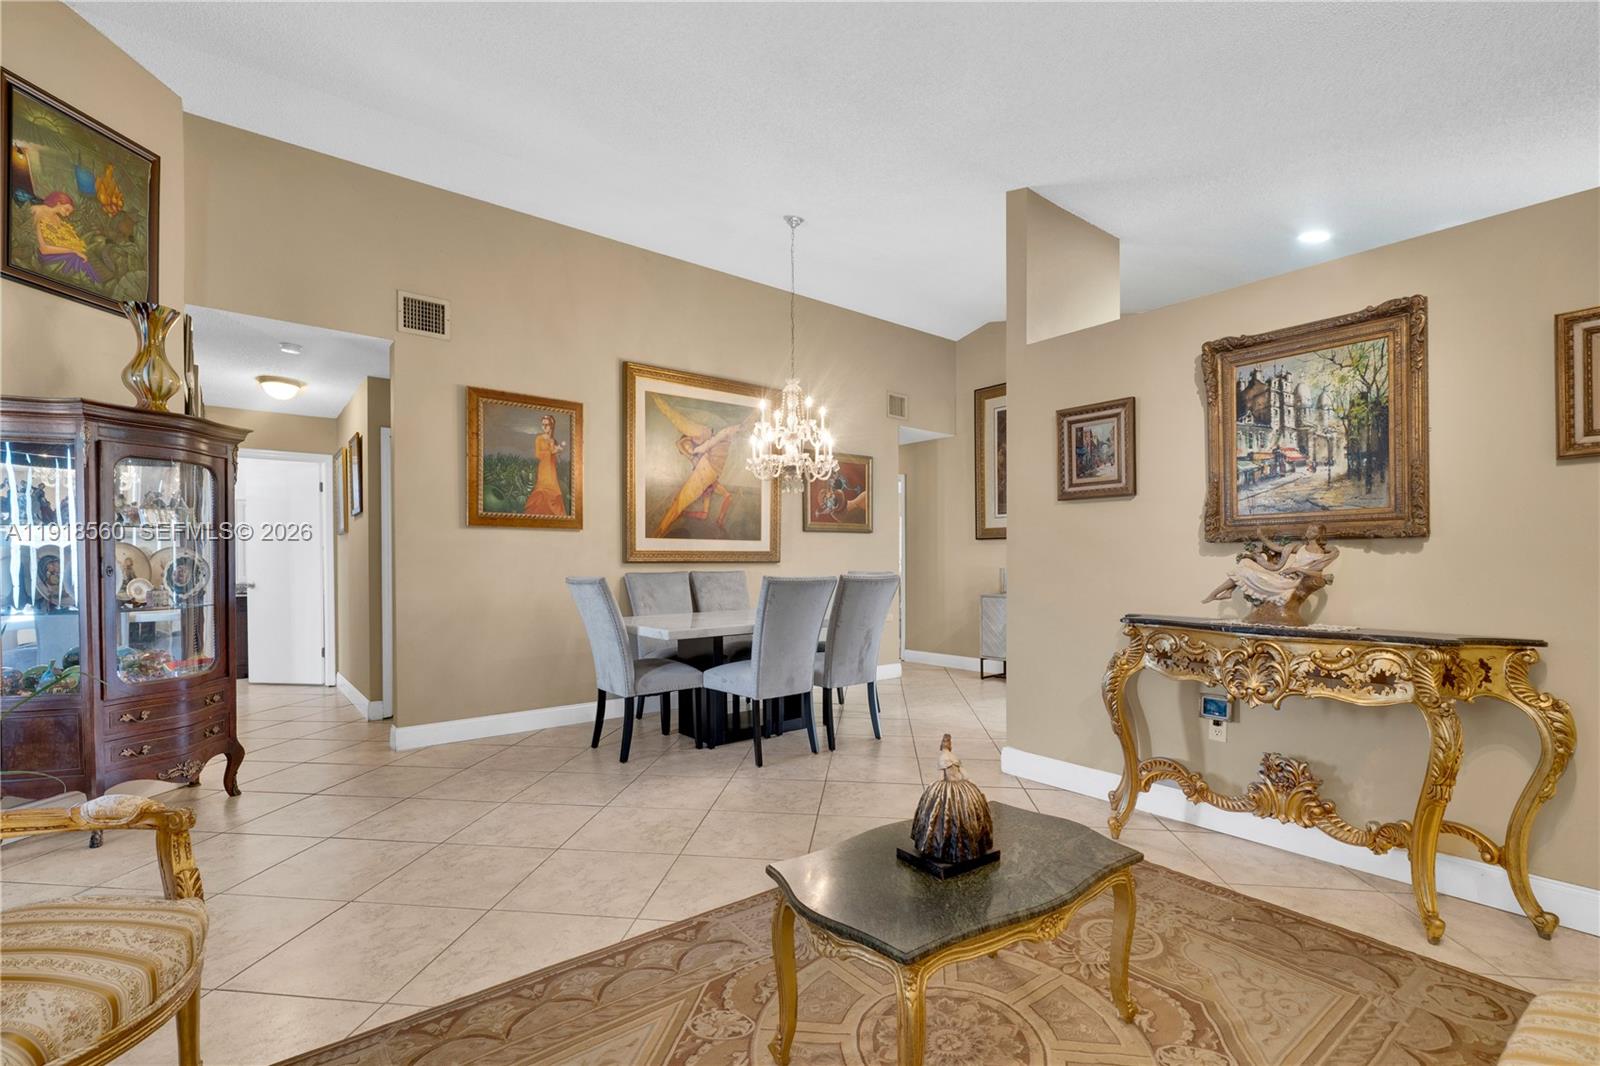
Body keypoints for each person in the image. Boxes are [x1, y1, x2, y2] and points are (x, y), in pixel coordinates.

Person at [1203, 524, 1339, 608]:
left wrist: (1297, 569)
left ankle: (1215, 594)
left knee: (1244, 571)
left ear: (1319, 535)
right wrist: (1261, 537)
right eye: (1308, 529)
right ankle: (1227, 592)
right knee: (1245, 562)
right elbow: (1276, 548)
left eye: (1312, 531)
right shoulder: (1300, 547)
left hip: (1289, 582)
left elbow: (1317, 574)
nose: (1308, 532)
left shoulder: (1320, 554)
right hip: (1281, 575)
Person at [30, 192, 102, 283]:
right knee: (76, 258)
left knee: (83, 256)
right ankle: (93, 282)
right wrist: (73, 250)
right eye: (66, 209)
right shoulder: (39, 213)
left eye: (69, 212)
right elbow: (44, 249)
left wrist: (75, 249)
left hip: (59, 252)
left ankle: (94, 282)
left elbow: (63, 239)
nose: (67, 214)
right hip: (48, 256)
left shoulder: (57, 218)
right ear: (58, 203)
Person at [522, 414, 569, 516]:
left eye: (547, 425)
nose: (544, 427)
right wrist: (551, 452)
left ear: (551, 426)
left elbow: (557, 460)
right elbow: (538, 454)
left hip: (552, 469)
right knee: (542, 490)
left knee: (554, 492)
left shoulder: (553, 441)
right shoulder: (539, 438)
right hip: (543, 468)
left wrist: (558, 452)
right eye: (543, 424)